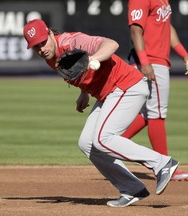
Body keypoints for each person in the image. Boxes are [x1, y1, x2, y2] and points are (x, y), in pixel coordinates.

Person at [23, 19, 179, 207]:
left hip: (127, 86)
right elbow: (80, 73)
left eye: (42, 41)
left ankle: (162, 163)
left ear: (49, 34)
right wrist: (84, 93)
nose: (41, 48)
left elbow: (111, 44)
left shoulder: (73, 41)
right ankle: (131, 188)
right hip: (109, 94)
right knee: (87, 143)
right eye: (35, 46)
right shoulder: (51, 58)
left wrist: (92, 58)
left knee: (103, 138)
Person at [123, 0, 188, 181]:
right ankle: (165, 167)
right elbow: (135, 30)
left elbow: (167, 28)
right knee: (157, 113)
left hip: (157, 60)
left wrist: (186, 56)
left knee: (148, 113)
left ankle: (111, 145)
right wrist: (145, 62)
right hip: (151, 60)